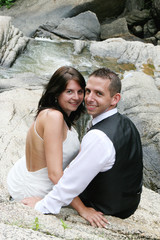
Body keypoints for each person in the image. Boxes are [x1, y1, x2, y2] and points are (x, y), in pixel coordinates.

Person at [22, 68, 143, 227]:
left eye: (98, 93)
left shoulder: (99, 137)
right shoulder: (125, 122)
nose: (88, 98)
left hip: (105, 206)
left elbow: (70, 184)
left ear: (115, 99)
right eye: (88, 91)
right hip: (128, 204)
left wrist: (41, 206)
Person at [7, 66, 86, 201]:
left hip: (23, 177)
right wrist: (82, 209)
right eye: (69, 92)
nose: (76, 97)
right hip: (34, 191)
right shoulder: (54, 117)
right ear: (57, 93)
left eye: (80, 91)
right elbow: (55, 175)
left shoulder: (57, 115)